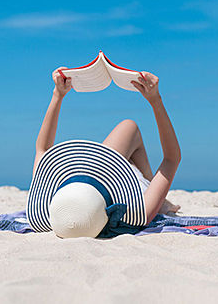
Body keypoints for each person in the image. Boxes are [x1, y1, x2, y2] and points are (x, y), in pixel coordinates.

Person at [28, 67, 181, 238]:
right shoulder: (140, 211)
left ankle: (158, 197)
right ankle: (158, 198)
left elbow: (42, 149)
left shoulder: (65, 212)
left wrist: (58, 95)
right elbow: (172, 158)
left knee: (128, 128)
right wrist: (155, 100)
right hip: (138, 188)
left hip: (96, 190)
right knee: (129, 127)